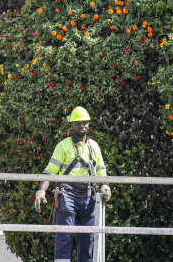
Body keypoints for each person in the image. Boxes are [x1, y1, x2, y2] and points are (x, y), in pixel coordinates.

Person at [34, 106, 111, 262]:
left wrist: (105, 185)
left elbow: (101, 171)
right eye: (78, 123)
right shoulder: (63, 146)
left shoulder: (93, 147)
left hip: (88, 197)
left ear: (88, 125)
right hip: (67, 197)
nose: (82, 126)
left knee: (87, 242)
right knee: (64, 239)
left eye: (85, 123)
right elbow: (50, 172)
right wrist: (41, 191)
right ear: (72, 125)